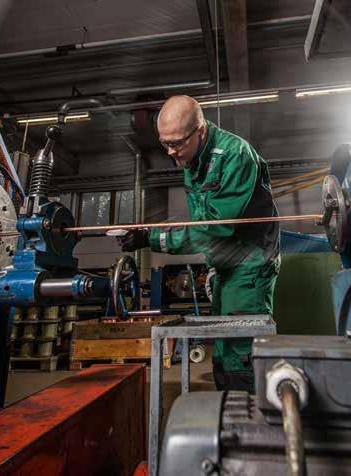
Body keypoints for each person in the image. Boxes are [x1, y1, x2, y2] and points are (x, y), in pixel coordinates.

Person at [119, 95, 280, 392]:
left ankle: (250, 426)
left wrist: (152, 237)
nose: (170, 151)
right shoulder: (191, 157)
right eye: (164, 143)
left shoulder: (236, 156)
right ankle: (227, 416)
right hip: (227, 267)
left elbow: (214, 227)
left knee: (240, 355)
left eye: (177, 142)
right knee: (221, 351)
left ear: (201, 131)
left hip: (249, 268)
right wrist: (213, 266)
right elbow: (202, 222)